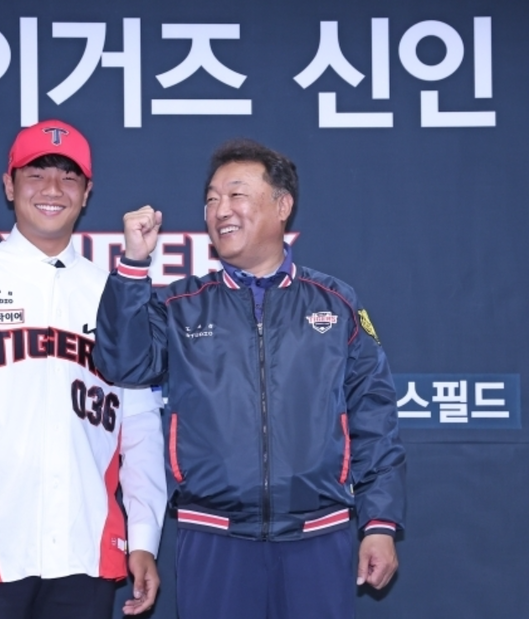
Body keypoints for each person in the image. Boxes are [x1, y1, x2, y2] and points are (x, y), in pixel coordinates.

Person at [93, 138, 406, 619]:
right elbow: (122, 363)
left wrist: (379, 522)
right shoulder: (181, 305)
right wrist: (134, 265)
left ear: (282, 206)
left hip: (318, 538)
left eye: (236, 195)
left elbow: (374, 416)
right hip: (212, 538)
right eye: (212, 199)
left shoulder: (335, 303)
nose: (221, 210)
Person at [0, 119, 166, 619]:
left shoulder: (113, 292)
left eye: (68, 177)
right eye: (36, 174)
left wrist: (144, 535)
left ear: (87, 192)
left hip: (84, 545)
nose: (52, 190)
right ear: (9, 184)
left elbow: (141, 425)